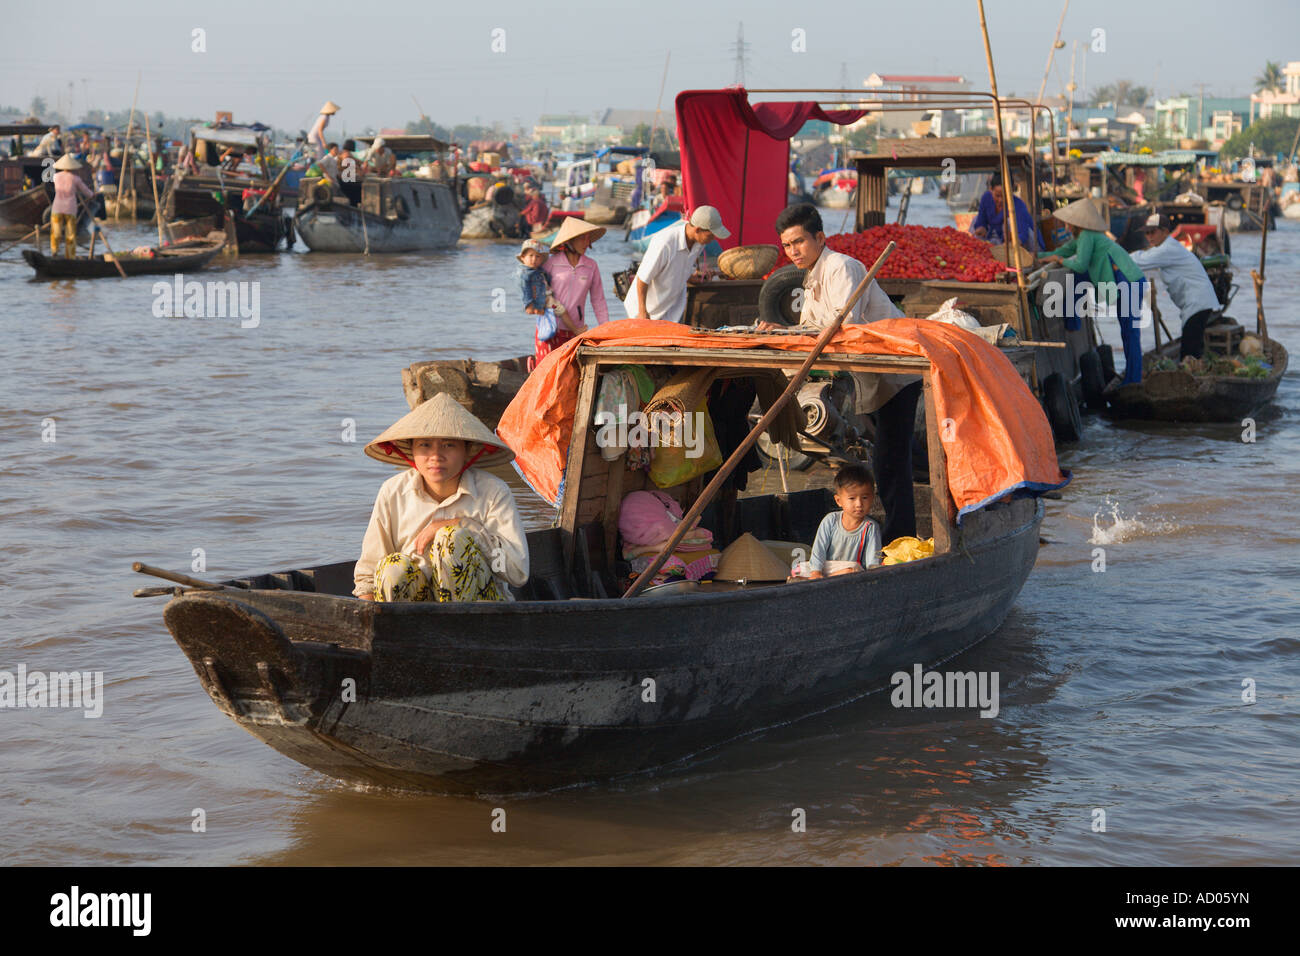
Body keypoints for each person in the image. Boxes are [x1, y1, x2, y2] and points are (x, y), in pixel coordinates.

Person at [760, 203, 920, 544]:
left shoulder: (841, 267)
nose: (793, 252)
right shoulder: (812, 277)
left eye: (799, 242)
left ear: (820, 237)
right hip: (870, 378)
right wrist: (779, 331)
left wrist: (795, 336)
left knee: (892, 462)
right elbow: (810, 329)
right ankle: (890, 533)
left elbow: (842, 328)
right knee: (881, 458)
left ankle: (900, 539)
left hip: (896, 374)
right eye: (787, 246)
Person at [355, 393, 529, 603]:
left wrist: (463, 525)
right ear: (412, 451)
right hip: (416, 614)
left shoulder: (494, 492)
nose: (436, 456)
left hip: (481, 613)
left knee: (451, 538)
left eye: (448, 445)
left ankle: (458, 631)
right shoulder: (393, 492)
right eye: (425, 445)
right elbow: (369, 571)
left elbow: (517, 572)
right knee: (393, 567)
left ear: (467, 451)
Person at [1039, 197, 1148, 383]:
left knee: (1130, 332)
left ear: (1076, 224)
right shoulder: (1083, 237)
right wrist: (1038, 256)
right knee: (1127, 331)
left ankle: (1133, 380)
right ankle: (1073, 322)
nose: (1065, 227)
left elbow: (1079, 265)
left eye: (1067, 224)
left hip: (1128, 281)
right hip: (1123, 280)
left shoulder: (1087, 236)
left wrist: (1058, 261)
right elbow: (1064, 251)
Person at [1127, 212, 1221, 359]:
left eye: (1153, 232)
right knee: (1192, 348)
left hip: (1198, 302)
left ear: (1165, 232)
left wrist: (1116, 255)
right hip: (1196, 304)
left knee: (1189, 353)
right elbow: (1141, 256)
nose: (1149, 237)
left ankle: (1192, 378)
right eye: (1146, 233)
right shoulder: (1165, 248)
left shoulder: (1167, 249)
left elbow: (1138, 261)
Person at [623, 205, 728, 322]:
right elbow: (642, 279)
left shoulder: (699, 243)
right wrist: (642, 313)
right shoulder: (665, 243)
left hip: (671, 312)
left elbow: (680, 267)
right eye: (711, 235)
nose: (713, 239)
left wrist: (690, 277)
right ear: (697, 230)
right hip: (644, 312)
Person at [800, 464, 883, 579]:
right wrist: (816, 572)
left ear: (872, 498)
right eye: (852, 498)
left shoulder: (870, 527)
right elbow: (818, 552)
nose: (859, 504)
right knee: (800, 567)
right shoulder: (830, 520)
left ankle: (819, 581)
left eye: (864, 498)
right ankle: (817, 579)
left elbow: (872, 564)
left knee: (853, 569)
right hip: (827, 568)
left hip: (851, 573)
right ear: (838, 501)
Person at [517, 238, 580, 369]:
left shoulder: (539, 271)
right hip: (544, 300)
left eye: (537, 256)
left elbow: (548, 279)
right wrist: (529, 306)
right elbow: (525, 291)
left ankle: (534, 363)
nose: (534, 259)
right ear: (523, 258)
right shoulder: (524, 274)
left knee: (549, 321)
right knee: (561, 311)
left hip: (546, 297)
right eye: (530, 256)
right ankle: (576, 330)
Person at [544, 216, 609, 335]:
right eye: (582, 238)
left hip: (577, 332)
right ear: (570, 241)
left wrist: (605, 328)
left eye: (588, 238)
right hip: (550, 330)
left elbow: (598, 300)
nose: (586, 243)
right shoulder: (551, 264)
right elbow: (539, 292)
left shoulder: (591, 266)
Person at [971, 172, 1043, 252]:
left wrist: (1011, 247)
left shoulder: (1018, 205)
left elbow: (1023, 235)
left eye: (1005, 195)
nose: (1000, 200)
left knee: (1009, 221)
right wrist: (981, 228)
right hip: (1001, 240)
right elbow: (980, 220)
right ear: (991, 189)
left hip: (1026, 246)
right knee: (975, 220)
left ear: (1011, 191)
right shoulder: (986, 198)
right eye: (997, 196)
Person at [49, 155, 93, 259]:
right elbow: (86, 191)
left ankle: (54, 251)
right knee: (70, 234)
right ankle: (70, 256)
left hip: (57, 208)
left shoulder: (56, 177)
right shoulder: (76, 178)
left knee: (56, 232)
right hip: (70, 209)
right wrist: (92, 195)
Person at [338, 139, 363, 205]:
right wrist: (357, 168)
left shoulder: (344, 153)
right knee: (355, 195)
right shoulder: (346, 155)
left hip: (346, 179)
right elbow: (347, 164)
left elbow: (357, 161)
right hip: (346, 180)